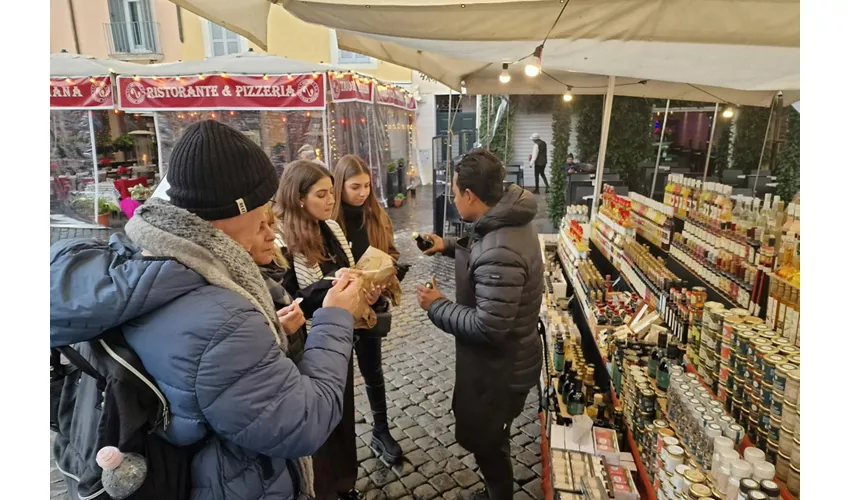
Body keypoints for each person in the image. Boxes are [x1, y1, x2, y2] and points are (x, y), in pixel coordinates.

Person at [50, 120, 363, 500]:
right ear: (238, 208)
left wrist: (264, 339)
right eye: (262, 204)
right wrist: (335, 318)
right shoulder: (222, 316)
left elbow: (206, 370)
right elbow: (301, 424)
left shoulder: (143, 264)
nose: (268, 217)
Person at [414, 149, 544, 500]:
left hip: (501, 371)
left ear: (470, 194)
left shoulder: (500, 249)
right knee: (493, 436)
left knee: (489, 443)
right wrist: (446, 246)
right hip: (510, 361)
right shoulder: (507, 218)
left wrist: (436, 305)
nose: (453, 199)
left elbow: (489, 327)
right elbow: (482, 245)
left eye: (455, 192)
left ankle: (499, 494)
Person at [275, 160, 382, 500]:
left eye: (331, 193)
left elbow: (350, 270)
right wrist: (328, 287)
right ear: (298, 198)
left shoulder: (332, 227)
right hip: (306, 345)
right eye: (321, 195)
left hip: (338, 336)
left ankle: (345, 483)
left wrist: (365, 290)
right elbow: (286, 300)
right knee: (317, 419)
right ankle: (322, 489)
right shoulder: (280, 239)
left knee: (342, 412)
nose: (331, 201)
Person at [331, 155, 404, 466]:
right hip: (336, 312)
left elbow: (392, 254)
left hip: (370, 310)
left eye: (366, 186)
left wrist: (383, 282)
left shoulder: (376, 215)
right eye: (355, 187)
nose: (362, 193)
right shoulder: (328, 221)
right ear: (340, 186)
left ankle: (381, 430)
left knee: (373, 370)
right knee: (337, 378)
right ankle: (337, 443)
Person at [251, 205, 307, 363]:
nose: (271, 235)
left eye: (270, 225)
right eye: (259, 227)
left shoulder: (275, 272)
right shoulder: (238, 291)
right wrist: (276, 332)